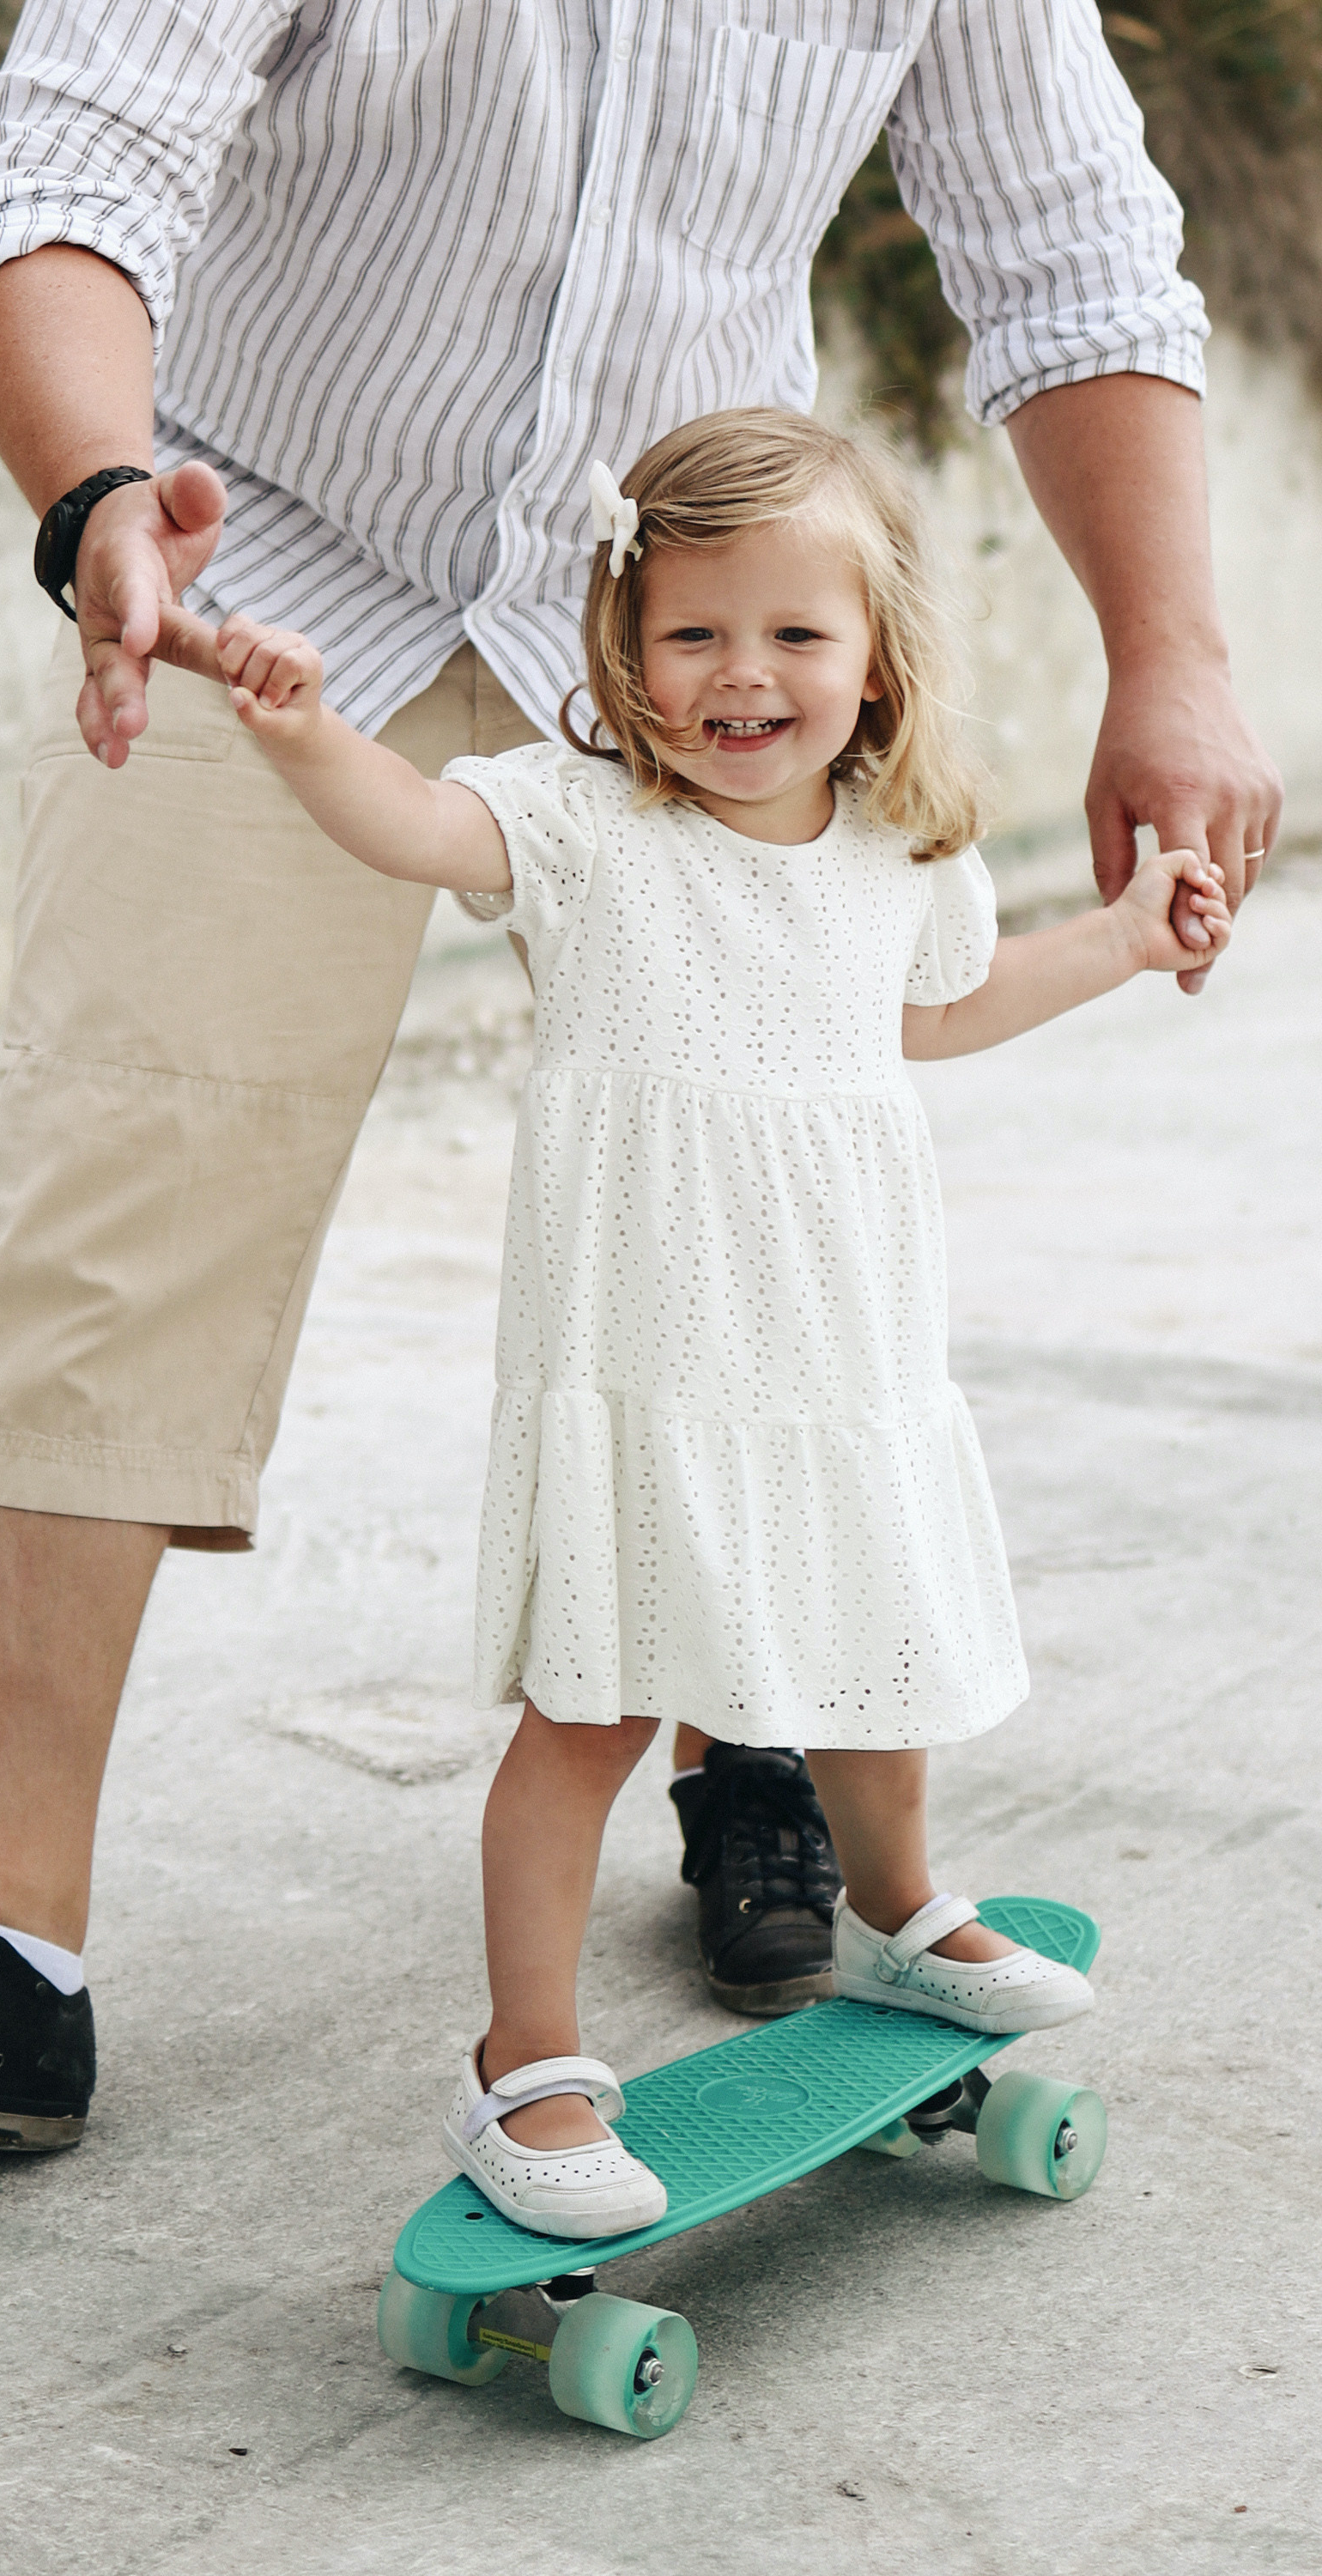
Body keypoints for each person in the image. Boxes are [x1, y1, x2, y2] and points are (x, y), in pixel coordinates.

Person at [0, 0, 1277, 2155]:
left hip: (688, 631)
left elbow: (1068, 247)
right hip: (258, 599)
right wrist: (91, 499)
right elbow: (74, 152)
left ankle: (763, 1753)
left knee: (765, 1219)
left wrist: (1171, 653)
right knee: (115, 1187)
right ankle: (8, 1957)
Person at [213, 408, 1229, 2234]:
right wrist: (305, 739)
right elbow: (411, 822)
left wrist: (1133, 933)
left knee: (876, 1647)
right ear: (624, 647)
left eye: (792, 636)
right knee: (589, 1709)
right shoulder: (578, 821)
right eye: (690, 635)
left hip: (836, 1344)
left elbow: (937, 1015)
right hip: (641, 1351)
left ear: (872, 653)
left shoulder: (899, 851)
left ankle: (900, 1908)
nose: (741, 676)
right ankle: (523, 2061)